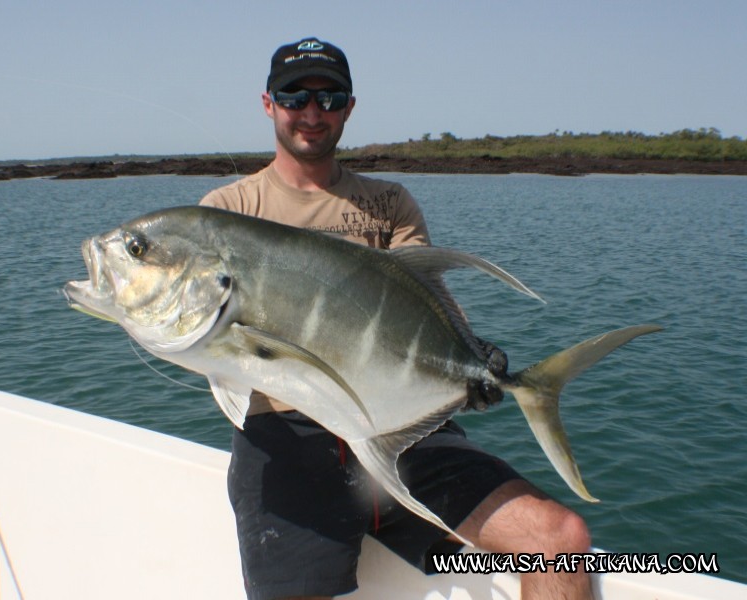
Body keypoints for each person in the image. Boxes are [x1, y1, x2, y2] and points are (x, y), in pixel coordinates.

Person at [200, 37, 592, 600]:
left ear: (349, 108)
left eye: (330, 97)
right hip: (288, 441)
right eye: (295, 96)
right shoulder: (228, 213)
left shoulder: (389, 203)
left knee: (559, 540)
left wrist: (471, 362)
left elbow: (423, 309)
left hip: (402, 432)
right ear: (269, 103)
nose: (313, 112)